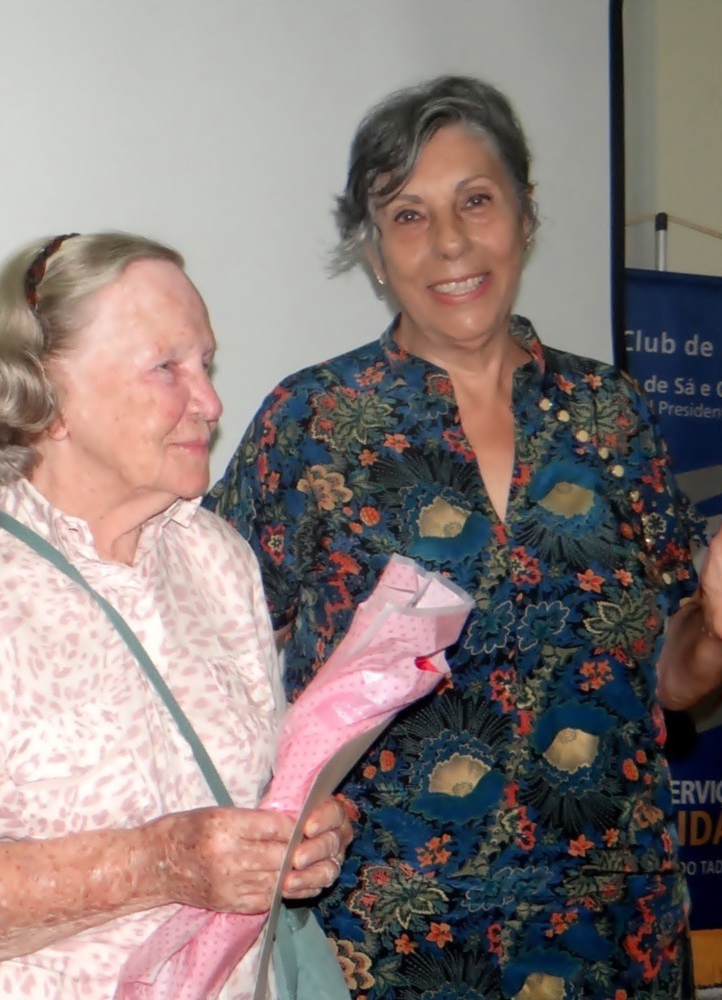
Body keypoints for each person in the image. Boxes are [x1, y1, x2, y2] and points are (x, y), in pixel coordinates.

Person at [206, 76, 722, 998]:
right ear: (373, 252)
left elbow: (669, 677)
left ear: (525, 213)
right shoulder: (314, 420)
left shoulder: (610, 413)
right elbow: (199, 644)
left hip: (614, 932)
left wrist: (715, 630)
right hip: (389, 945)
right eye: (408, 216)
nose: (449, 242)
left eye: (476, 201)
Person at [0, 231, 352, 1000]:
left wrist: (299, 835)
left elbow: (251, 785)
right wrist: (155, 864)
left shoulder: (216, 560)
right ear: (49, 399)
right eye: (166, 368)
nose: (211, 403)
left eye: (206, 364)